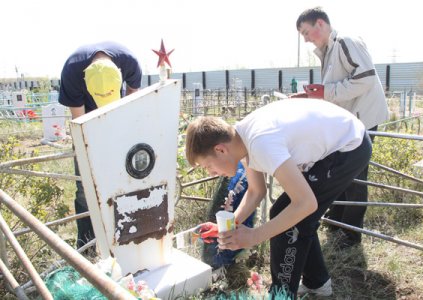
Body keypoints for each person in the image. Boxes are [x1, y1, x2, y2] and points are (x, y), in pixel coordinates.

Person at [185, 99, 372, 297]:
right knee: (291, 217)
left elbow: (306, 203)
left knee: (290, 219)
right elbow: (256, 191)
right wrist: (231, 224)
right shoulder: (241, 139)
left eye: (208, 166)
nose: (212, 173)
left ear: (220, 149)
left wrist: (254, 236)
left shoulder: (261, 143)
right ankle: (317, 284)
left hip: (349, 147)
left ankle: (281, 294)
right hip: (339, 139)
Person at [294, 7, 389, 247]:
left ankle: (351, 233)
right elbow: (336, 89)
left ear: (320, 24)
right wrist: (313, 96)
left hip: (363, 119)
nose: (305, 39)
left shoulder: (346, 42)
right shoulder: (329, 50)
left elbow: (366, 78)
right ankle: (337, 221)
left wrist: (326, 92)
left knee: (356, 177)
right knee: (340, 172)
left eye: (306, 32)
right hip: (349, 122)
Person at [59, 41, 142, 250]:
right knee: (85, 187)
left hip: (117, 118)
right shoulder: (72, 72)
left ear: (119, 74)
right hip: (86, 118)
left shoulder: (130, 63)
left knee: (125, 177)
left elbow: (131, 106)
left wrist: (121, 139)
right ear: (85, 81)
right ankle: (87, 245)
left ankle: (123, 238)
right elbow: (80, 125)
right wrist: (90, 155)